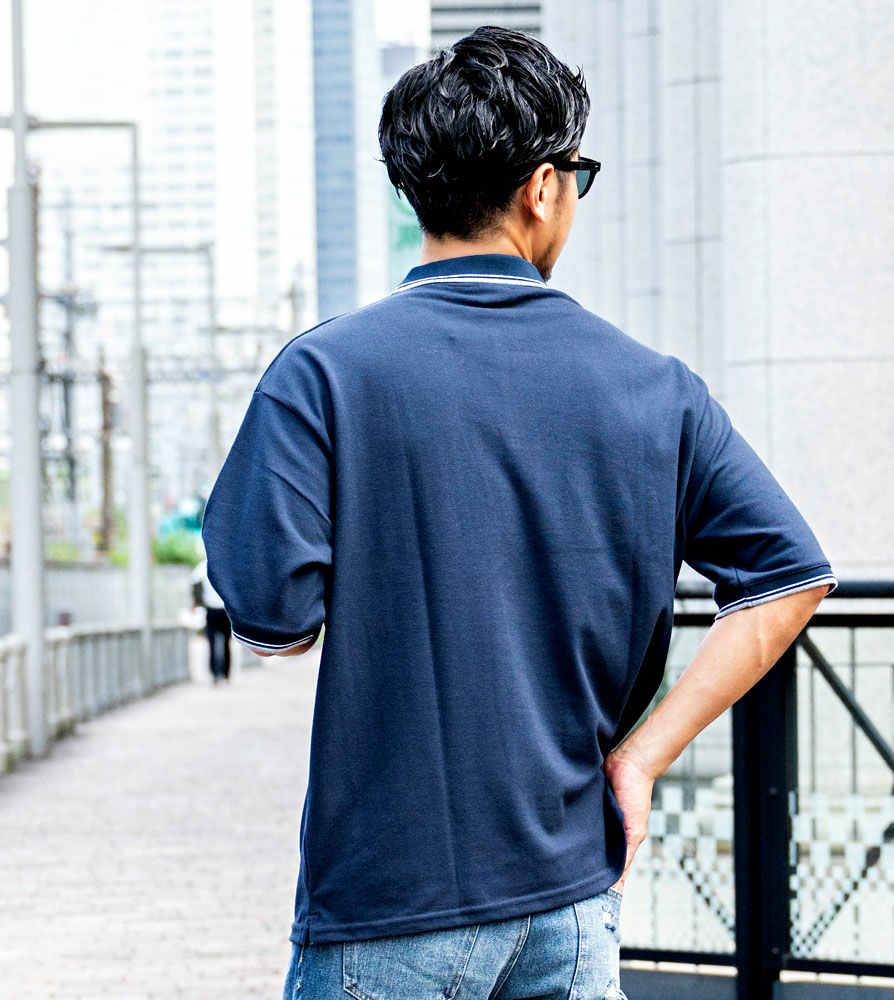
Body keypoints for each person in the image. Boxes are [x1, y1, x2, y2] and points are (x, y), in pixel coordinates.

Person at [200, 25, 838, 1000]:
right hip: (571, 901)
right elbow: (792, 577)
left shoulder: (321, 374)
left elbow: (271, 624)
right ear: (543, 188)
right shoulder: (653, 388)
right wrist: (640, 760)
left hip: (386, 901)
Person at [190, 557, 231, 684]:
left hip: (211, 610)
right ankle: (226, 674)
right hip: (226, 610)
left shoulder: (203, 566)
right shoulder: (225, 564)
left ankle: (215, 675)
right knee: (226, 643)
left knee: (212, 643)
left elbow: (194, 582)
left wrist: (196, 603)